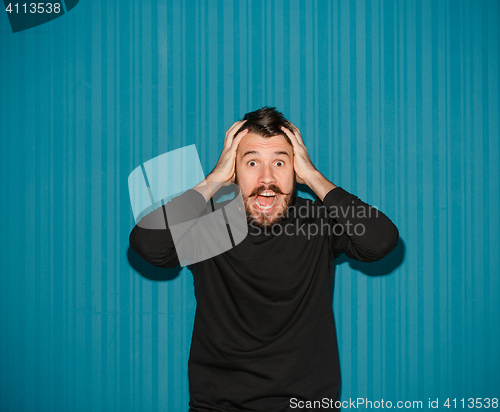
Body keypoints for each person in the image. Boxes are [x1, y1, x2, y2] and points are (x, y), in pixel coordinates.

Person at [129, 107, 399, 411]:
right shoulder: (211, 227)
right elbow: (147, 244)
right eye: (252, 162)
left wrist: (313, 177)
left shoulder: (317, 222)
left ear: (295, 169)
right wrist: (214, 179)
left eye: (280, 162)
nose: (267, 178)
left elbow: (382, 240)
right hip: (220, 406)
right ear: (234, 170)